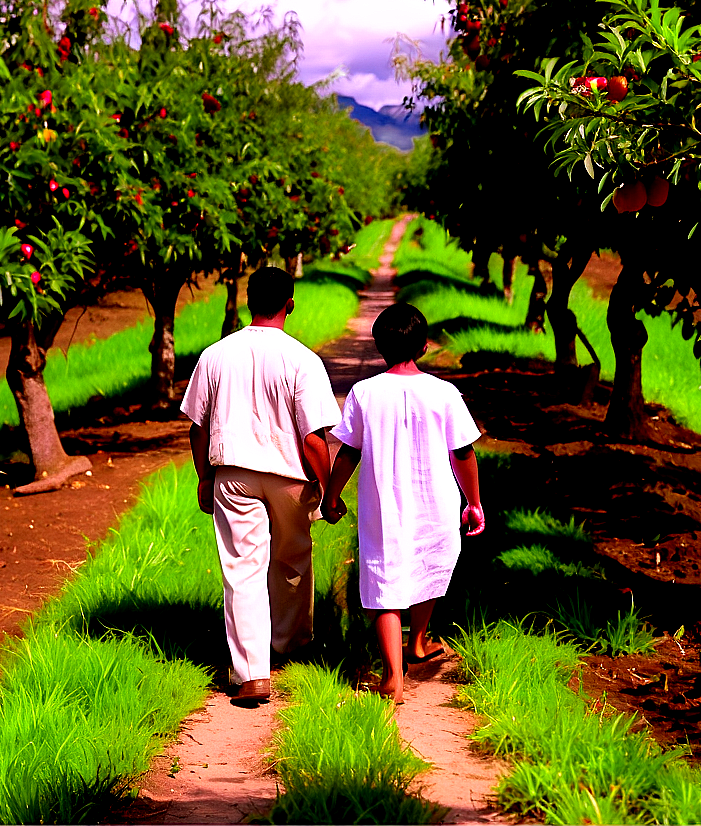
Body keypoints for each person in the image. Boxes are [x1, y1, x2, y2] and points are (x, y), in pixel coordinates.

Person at [181, 266, 341, 705]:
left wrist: (204, 475)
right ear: (291, 303)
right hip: (290, 474)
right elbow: (313, 438)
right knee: (291, 561)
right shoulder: (303, 359)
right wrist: (327, 490)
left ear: (250, 301)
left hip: (232, 472)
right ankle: (291, 648)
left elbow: (197, 427)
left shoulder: (215, 355)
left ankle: (252, 673)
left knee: (242, 570)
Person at [321, 302, 484, 705]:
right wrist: (474, 501)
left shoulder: (365, 392)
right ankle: (420, 641)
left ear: (379, 347)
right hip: (437, 500)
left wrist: (332, 494)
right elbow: (462, 452)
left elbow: (348, 452)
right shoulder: (444, 393)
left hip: (383, 501)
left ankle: (394, 674)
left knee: (385, 576)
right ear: (425, 346)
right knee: (430, 562)